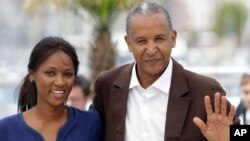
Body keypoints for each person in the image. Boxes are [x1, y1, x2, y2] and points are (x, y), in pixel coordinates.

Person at [92, 2, 237, 141]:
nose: (151, 50)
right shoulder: (107, 85)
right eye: (141, 41)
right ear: (129, 43)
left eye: (159, 39)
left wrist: (228, 138)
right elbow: (89, 130)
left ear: (173, 38)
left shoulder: (206, 90)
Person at [0, 37, 103, 141]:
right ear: (32, 74)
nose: (60, 82)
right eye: (50, 73)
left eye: (68, 74)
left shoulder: (92, 123)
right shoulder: (6, 130)